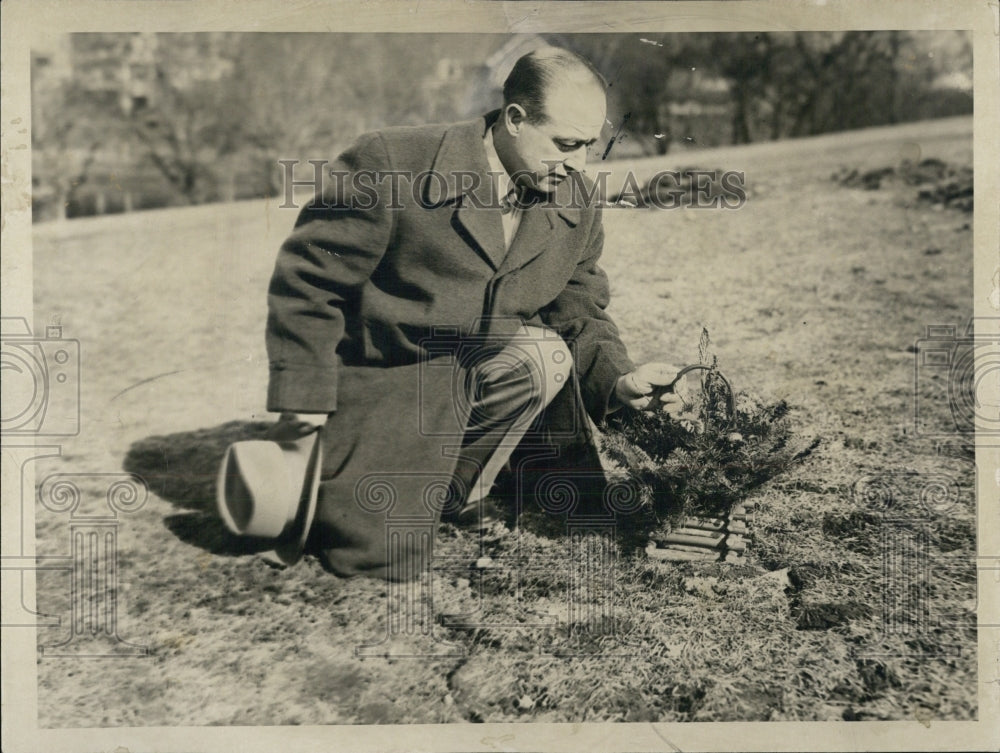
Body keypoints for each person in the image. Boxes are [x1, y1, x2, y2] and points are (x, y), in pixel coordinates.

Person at [265, 47, 682, 581]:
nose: (579, 164)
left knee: (545, 354)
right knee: (374, 550)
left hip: (475, 376)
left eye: (588, 146)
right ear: (515, 119)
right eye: (565, 144)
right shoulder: (391, 162)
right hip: (388, 381)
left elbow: (578, 308)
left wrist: (619, 380)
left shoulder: (575, 199)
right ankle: (354, 476)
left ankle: (459, 488)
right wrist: (301, 412)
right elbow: (307, 285)